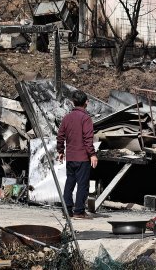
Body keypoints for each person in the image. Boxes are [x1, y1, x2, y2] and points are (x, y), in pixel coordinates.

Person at [57, 90, 98, 219]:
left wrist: (60, 151)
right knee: (82, 185)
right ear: (86, 102)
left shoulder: (67, 118)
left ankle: (67, 210)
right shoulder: (86, 118)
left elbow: (60, 136)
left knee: (70, 182)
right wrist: (92, 154)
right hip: (83, 158)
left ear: (72, 102)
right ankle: (79, 211)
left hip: (70, 157)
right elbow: (87, 139)